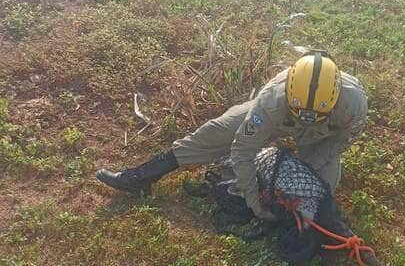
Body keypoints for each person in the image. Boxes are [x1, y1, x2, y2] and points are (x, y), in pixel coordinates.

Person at [96, 50, 368, 220]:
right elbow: (243, 150)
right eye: (299, 111)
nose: (304, 119)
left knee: (321, 188)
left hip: (321, 137)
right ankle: (141, 177)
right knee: (215, 132)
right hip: (278, 119)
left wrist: (307, 169)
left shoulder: (354, 105)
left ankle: (288, 203)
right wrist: (255, 203)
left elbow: (342, 141)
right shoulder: (272, 100)